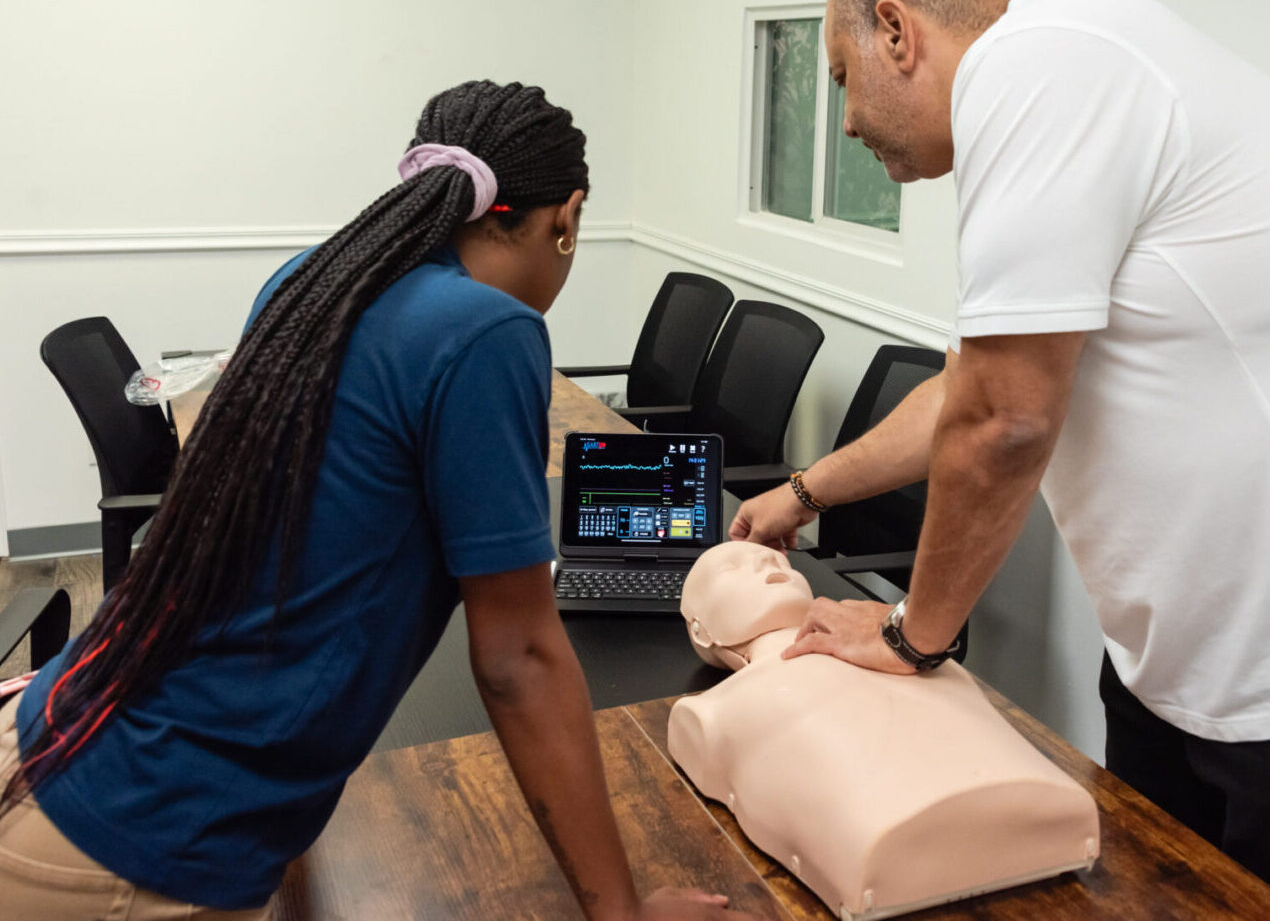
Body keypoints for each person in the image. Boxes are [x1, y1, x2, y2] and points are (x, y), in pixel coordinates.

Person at [729, 0, 1270, 921]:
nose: (843, 123)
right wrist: (800, 494)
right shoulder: (1066, 76)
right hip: (1190, 646)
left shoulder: (1043, 66)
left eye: (842, 76)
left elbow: (1005, 425)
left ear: (896, 31)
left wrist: (910, 640)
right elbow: (969, 392)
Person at [0, 81, 756, 921]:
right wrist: (622, 915)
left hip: (63, 731)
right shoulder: (489, 332)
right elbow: (519, 661)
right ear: (566, 218)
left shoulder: (313, 279)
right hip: (138, 839)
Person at [666, 541, 1099, 919]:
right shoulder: (712, 713)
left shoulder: (905, 653)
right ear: (701, 631)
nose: (768, 567)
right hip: (889, 847)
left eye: (773, 560)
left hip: (1044, 806)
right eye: (733, 568)